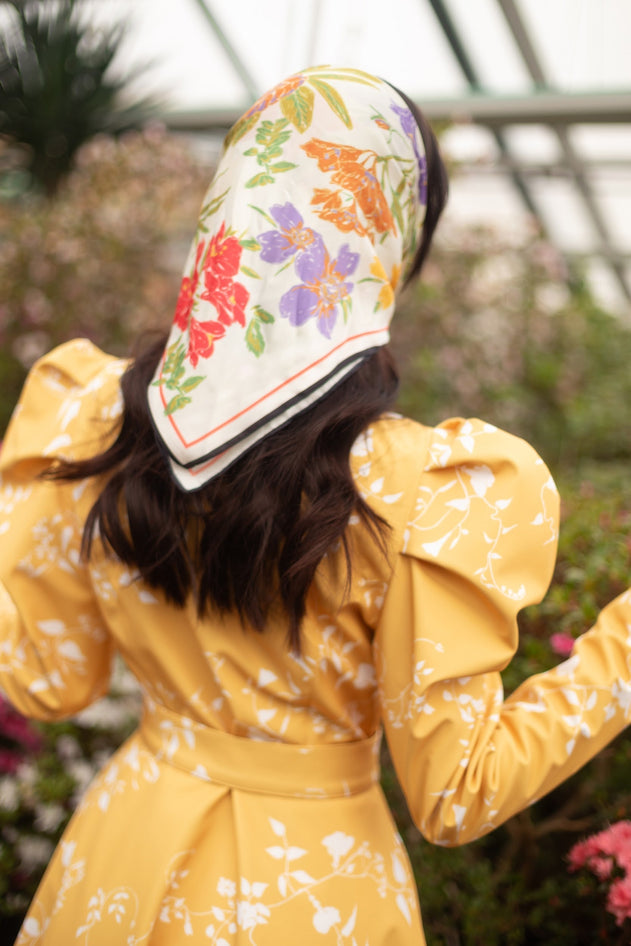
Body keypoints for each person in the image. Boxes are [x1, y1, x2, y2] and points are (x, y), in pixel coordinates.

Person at [1, 64, 630, 946]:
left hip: (121, 858)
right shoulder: (415, 490)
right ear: (384, 257)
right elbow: (457, 792)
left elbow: (48, 680)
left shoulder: (92, 417)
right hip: (312, 895)